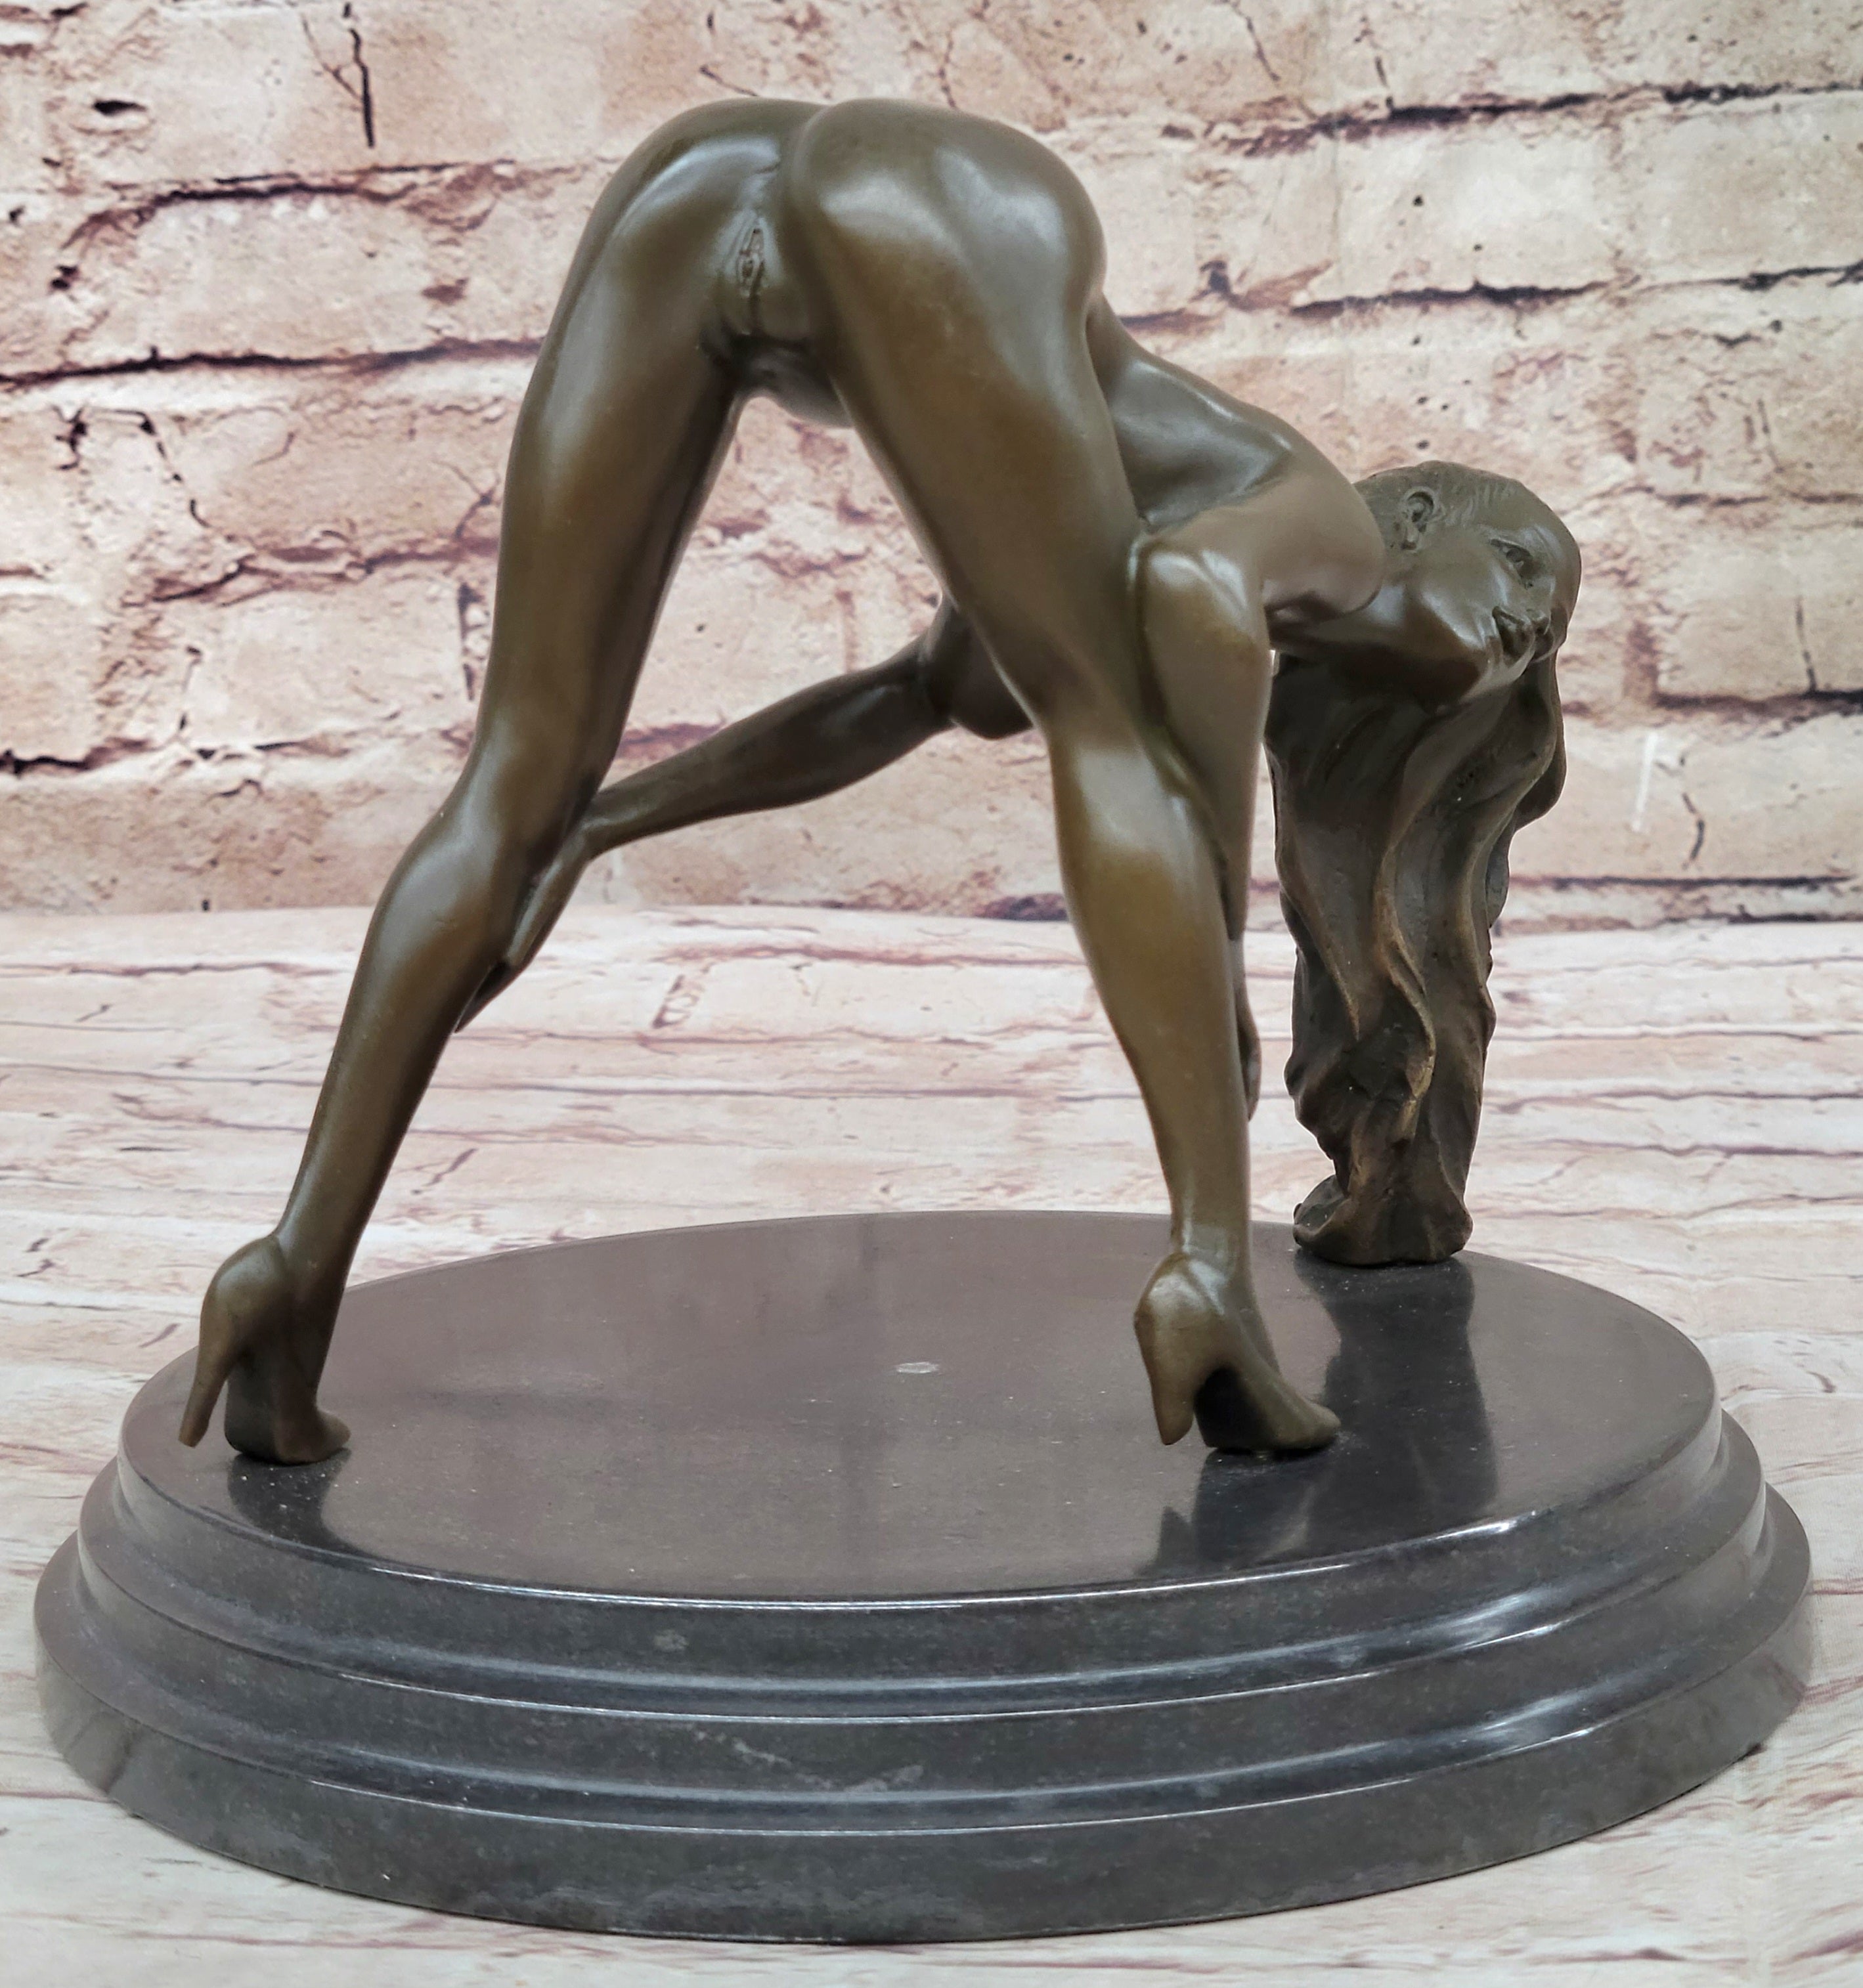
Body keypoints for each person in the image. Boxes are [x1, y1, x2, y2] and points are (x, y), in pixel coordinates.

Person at [179, 98, 1577, 1468]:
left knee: (520, 785)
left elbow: (900, 701)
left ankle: (291, 1268)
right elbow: (1194, 598)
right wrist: (1214, 965)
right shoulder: (1329, 525)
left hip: (706, 184)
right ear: (1418, 515)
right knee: (1113, 732)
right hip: (951, 203)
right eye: (1520, 565)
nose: (1525, 623)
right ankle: (1205, 1269)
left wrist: (608, 824)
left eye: (1544, 632)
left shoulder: (1064, 504)